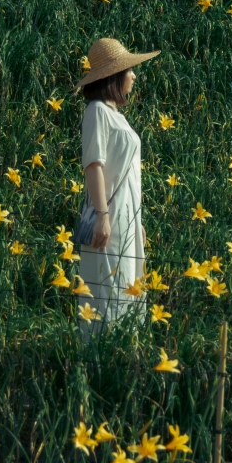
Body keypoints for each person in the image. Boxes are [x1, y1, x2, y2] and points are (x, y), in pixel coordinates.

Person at [75, 36, 159, 337]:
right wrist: (102, 215)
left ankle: (123, 356)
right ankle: (101, 360)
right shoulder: (96, 110)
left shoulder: (115, 115)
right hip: (109, 219)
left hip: (125, 219)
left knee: (127, 288)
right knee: (108, 291)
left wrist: (137, 221)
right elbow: (93, 164)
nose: (134, 76)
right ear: (113, 76)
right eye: (129, 70)